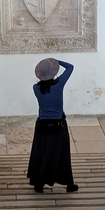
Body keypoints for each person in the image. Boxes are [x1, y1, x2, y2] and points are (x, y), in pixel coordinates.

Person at [27, 57, 79, 194]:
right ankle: (69, 184)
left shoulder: (35, 88)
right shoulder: (59, 85)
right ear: (53, 73)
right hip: (58, 125)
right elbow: (70, 67)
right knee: (62, 155)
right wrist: (56, 61)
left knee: (41, 154)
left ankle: (39, 184)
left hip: (41, 126)